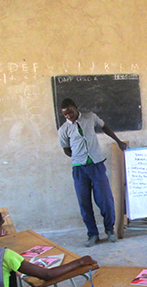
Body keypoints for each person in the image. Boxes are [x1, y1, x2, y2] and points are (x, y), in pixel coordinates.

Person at [58, 98, 127, 247]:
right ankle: (92, 234)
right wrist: (79, 157)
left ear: (76, 108)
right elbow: (66, 149)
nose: (69, 116)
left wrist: (118, 141)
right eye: (65, 114)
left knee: (106, 199)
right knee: (84, 202)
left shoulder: (90, 117)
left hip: (96, 165)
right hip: (79, 169)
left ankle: (110, 230)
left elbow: (105, 127)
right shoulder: (63, 130)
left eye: (70, 112)